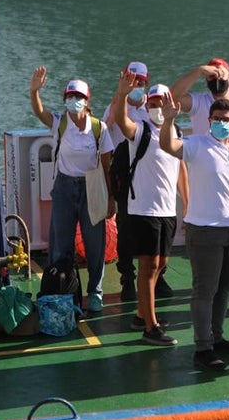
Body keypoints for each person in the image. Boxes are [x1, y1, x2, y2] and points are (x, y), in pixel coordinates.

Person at [159, 91, 229, 372]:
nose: (221, 123)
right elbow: (168, 146)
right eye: (216, 119)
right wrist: (168, 121)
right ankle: (202, 348)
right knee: (205, 290)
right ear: (209, 120)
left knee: (224, 288)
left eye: (226, 119)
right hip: (204, 231)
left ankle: (217, 336)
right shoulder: (196, 144)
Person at [171, 58, 229, 303]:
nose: (216, 79)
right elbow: (173, 97)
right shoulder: (200, 102)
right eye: (211, 76)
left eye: (220, 74)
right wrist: (198, 70)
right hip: (206, 180)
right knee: (209, 236)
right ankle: (212, 285)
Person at [28, 65, 115, 312]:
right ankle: (61, 288)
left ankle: (95, 292)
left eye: (78, 97)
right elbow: (40, 111)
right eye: (70, 97)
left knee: (94, 243)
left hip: (91, 188)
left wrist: (110, 199)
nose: (73, 101)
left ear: (87, 101)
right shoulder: (60, 123)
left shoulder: (99, 128)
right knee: (61, 243)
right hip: (64, 187)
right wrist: (34, 91)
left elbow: (107, 166)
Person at [109, 74, 185, 346]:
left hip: (167, 210)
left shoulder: (175, 132)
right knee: (148, 265)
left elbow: (181, 169)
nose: (157, 106)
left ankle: (142, 314)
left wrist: (186, 202)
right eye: (153, 102)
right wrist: (121, 94)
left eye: (162, 102)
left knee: (161, 264)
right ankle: (150, 327)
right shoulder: (141, 130)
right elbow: (121, 120)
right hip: (143, 209)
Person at [101, 61, 177, 303]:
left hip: (150, 177)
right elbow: (105, 133)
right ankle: (127, 278)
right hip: (124, 174)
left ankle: (159, 276)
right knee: (125, 229)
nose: (138, 86)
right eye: (133, 81)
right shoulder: (116, 105)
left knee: (157, 235)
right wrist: (120, 95)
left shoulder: (154, 106)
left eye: (141, 82)